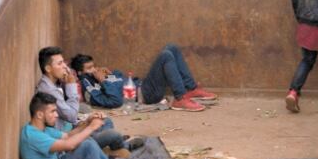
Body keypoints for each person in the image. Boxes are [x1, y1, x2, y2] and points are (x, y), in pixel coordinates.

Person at [36, 46, 131, 154]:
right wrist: (71, 85)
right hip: (66, 138)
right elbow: (71, 116)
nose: (64, 67)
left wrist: (85, 121)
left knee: (105, 121)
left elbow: (69, 113)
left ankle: (110, 146)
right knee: (113, 135)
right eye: (59, 64)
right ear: (48, 69)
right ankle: (122, 146)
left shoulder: (53, 82)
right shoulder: (48, 90)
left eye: (63, 63)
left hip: (71, 127)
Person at [77, 45, 217, 112]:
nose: (94, 70)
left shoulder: (98, 76)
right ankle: (180, 99)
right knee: (165, 56)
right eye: (89, 68)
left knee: (172, 48)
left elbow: (122, 79)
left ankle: (191, 89)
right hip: (145, 94)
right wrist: (104, 81)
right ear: (80, 73)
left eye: (93, 66)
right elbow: (115, 101)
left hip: (142, 85)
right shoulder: (89, 88)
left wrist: (111, 74)